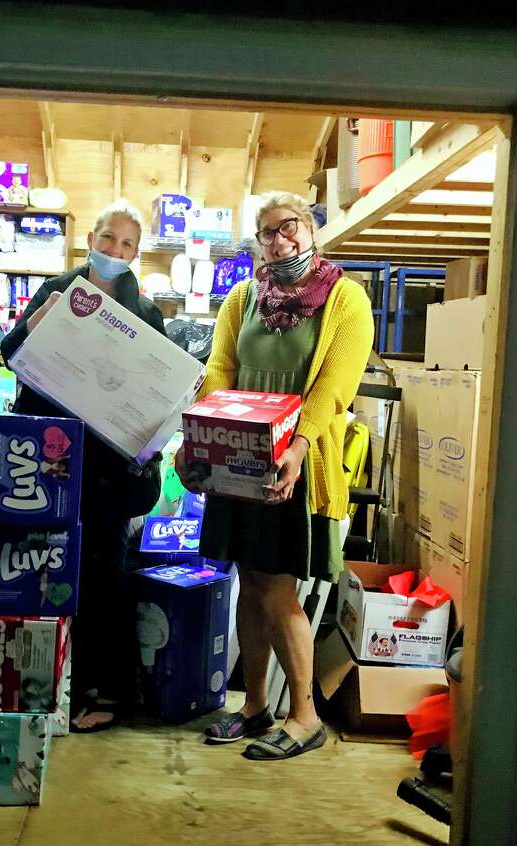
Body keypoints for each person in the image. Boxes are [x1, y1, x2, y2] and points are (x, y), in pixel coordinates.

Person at [176, 191, 373, 760]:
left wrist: (300, 445)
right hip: (238, 458)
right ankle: (255, 704)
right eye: (267, 232)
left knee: (279, 586)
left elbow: (335, 385)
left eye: (289, 227)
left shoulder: (345, 299)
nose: (280, 239)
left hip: (295, 462)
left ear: (309, 228)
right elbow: (220, 370)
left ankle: (305, 715)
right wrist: (199, 441)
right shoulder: (243, 297)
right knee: (250, 581)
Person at [0, 200, 167, 732]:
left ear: (135, 254)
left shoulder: (145, 313)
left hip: (110, 471)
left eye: (127, 245)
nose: (115, 251)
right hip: (51, 460)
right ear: (91, 238)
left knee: (103, 573)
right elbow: (10, 351)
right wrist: (38, 325)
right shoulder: (57, 293)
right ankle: (52, 684)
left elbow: (157, 385)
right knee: (47, 570)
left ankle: (109, 692)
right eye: (109, 238)